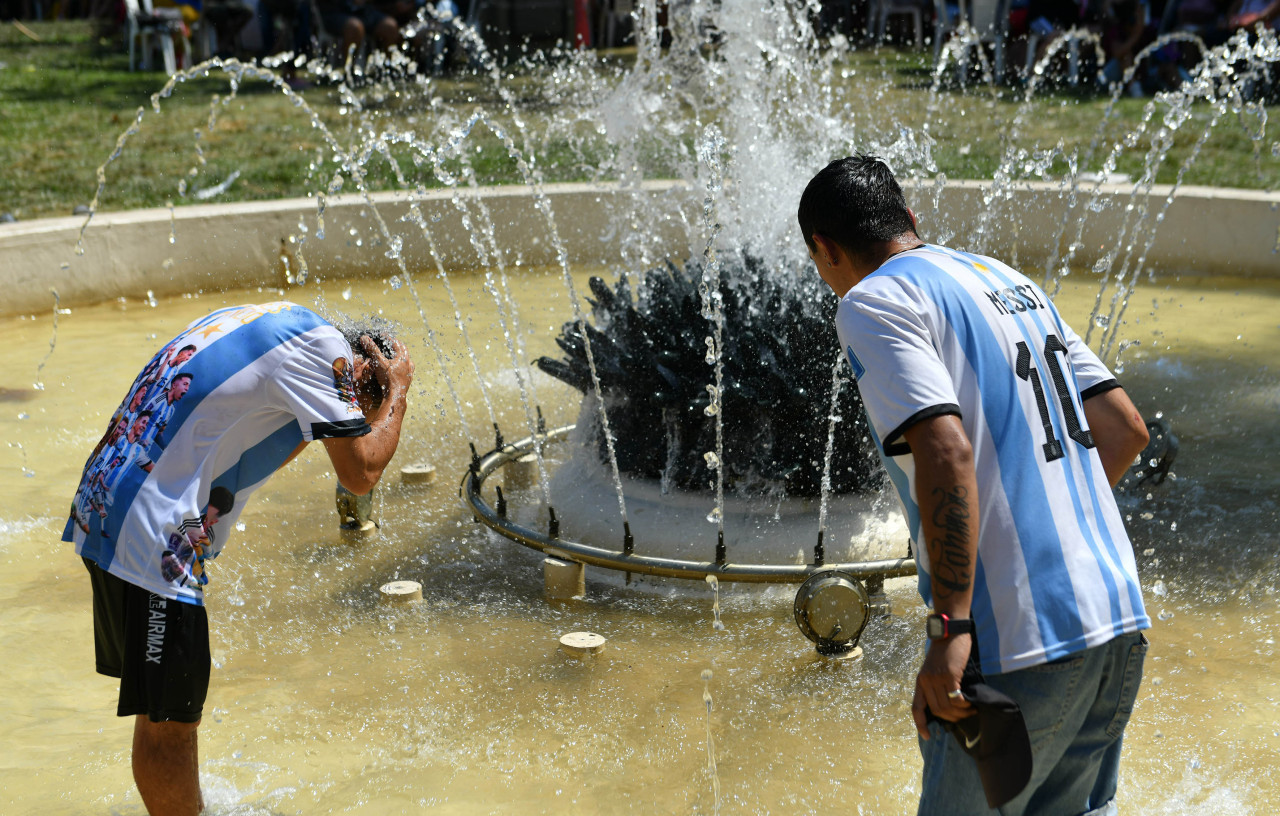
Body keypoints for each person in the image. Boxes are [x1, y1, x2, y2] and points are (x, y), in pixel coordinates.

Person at [797, 155, 1152, 815]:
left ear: (824, 248)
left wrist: (950, 627)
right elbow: (1125, 428)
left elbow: (944, 448)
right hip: (1117, 615)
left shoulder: (873, 300)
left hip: (1018, 640)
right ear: (909, 219)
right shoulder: (1006, 280)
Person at [65, 301, 414, 816]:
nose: (365, 419)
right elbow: (360, 470)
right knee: (171, 726)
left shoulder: (272, 324)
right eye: (370, 403)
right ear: (367, 372)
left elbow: (269, 437)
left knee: (162, 713)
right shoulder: (328, 354)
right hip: (151, 531)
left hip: (111, 501)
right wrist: (399, 392)